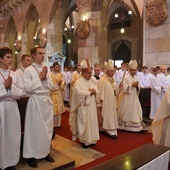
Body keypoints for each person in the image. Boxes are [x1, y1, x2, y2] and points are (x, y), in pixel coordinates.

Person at [23, 47, 56, 168]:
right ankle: (31, 156)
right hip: (35, 101)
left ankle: (45, 152)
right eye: (40, 54)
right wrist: (39, 78)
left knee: (47, 129)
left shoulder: (46, 69)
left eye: (43, 53)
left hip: (46, 101)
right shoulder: (28, 70)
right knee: (34, 129)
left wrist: (46, 78)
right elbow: (27, 88)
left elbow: (52, 87)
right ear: (33, 55)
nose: (42, 56)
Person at [0, 47, 26, 170]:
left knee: (12, 134)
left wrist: (10, 89)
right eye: (7, 57)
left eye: (11, 57)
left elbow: (21, 91)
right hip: (1, 107)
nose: (10, 60)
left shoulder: (15, 75)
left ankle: (10, 162)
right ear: (0, 59)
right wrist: (4, 87)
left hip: (12, 107)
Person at [69, 59, 99, 149]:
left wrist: (94, 91)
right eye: (88, 73)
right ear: (83, 72)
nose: (90, 75)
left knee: (92, 121)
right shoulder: (78, 82)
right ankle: (84, 140)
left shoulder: (91, 81)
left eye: (91, 73)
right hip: (83, 107)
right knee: (84, 122)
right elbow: (78, 94)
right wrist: (89, 92)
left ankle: (92, 139)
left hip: (92, 106)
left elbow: (96, 89)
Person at [117, 60, 146, 132]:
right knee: (128, 111)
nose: (134, 71)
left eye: (135, 70)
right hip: (127, 98)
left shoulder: (135, 78)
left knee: (136, 110)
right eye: (132, 70)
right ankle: (127, 127)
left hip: (134, 97)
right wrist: (131, 85)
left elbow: (138, 88)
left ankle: (137, 127)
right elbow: (123, 88)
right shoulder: (126, 78)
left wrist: (137, 86)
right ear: (129, 70)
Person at [96, 60, 119, 138]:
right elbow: (99, 91)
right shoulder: (102, 80)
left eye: (113, 71)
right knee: (106, 114)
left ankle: (112, 127)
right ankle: (108, 128)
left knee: (112, 114)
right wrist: (99, 103)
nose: (113, 73)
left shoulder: (112, 80)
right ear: (107, 71)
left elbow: (115, 90)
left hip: (112, 101)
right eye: (111, 71)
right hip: (106, 102)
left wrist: (118, 87)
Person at [50, 62, 65, 129]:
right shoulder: (50, 75)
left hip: (58, 93)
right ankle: (52, 123)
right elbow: (49, 85)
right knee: (52, 108)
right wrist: (56, 83)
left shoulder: (60, 75)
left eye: (58, 67)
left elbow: (63, 84)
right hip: (52, 94)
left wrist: (61, 84)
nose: (57, 68)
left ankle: (58, 123)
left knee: (58, 108)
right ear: (53, 67)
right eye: (56, 67)